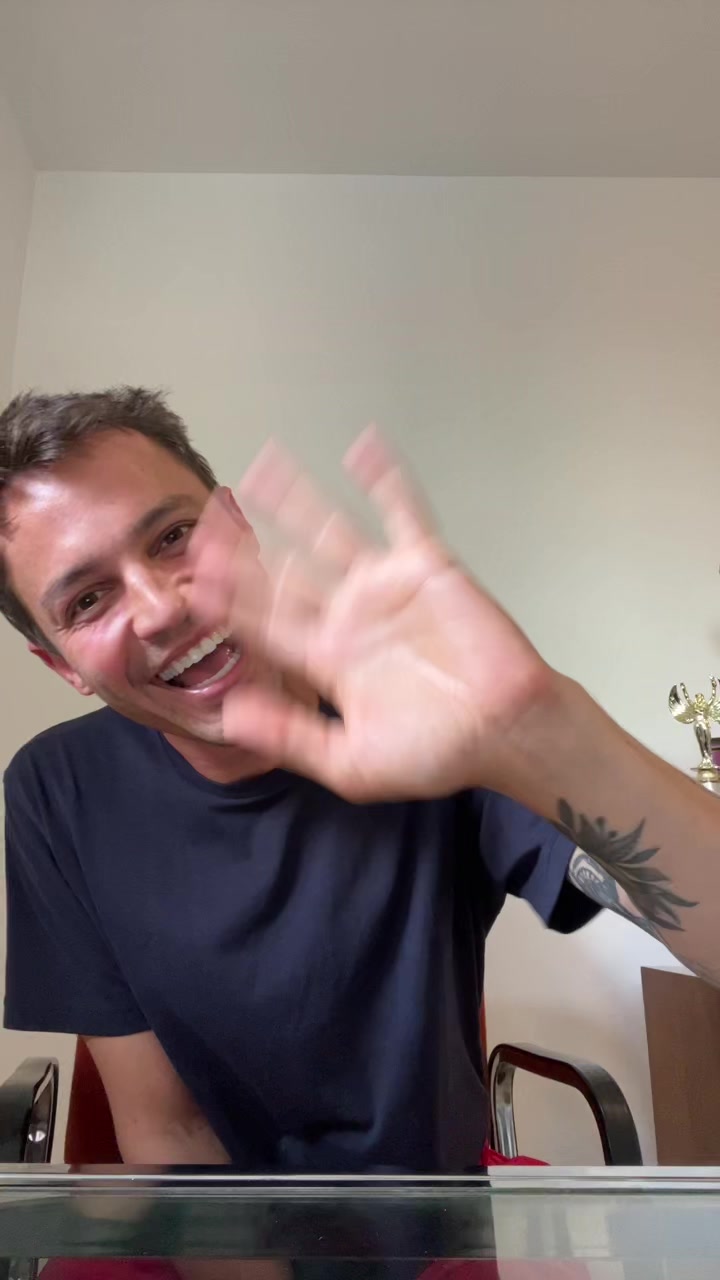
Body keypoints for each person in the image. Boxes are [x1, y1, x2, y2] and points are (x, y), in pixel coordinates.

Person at [0, 387, 716, 1177]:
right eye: (88, 599)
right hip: (218, 1226)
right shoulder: (55, 792)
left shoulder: (428, 711)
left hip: (434, 1218)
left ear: (236, 523)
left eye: (173, 536)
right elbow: (168, 1130)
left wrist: (543, 725)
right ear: (62, 666)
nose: (162, 607)